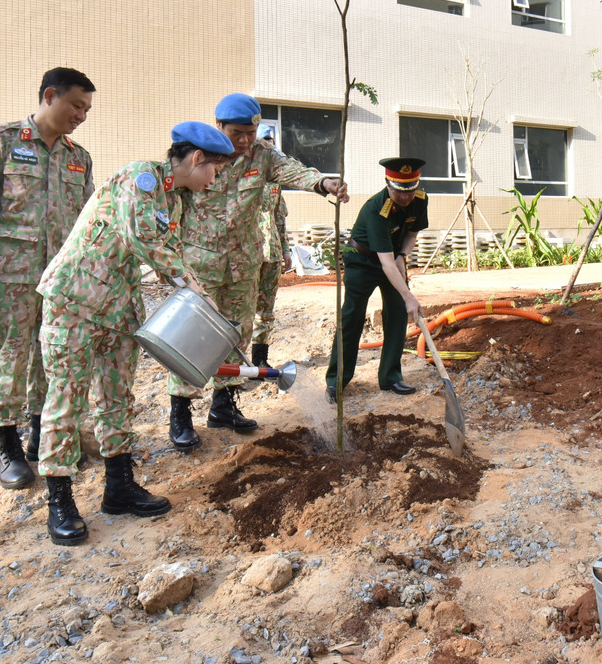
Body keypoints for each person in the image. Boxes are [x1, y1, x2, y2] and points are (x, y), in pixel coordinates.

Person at [35, 122, 233, 546]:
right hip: (75, 300)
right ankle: (60, 500)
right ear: (197, 159)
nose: (214, 182)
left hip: (119, 305)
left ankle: (119, 486)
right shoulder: (139, 178)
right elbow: (144, 238)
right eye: (214, 171)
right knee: (67, 398)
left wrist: (194, 289)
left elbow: (169, 251)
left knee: (117, 398)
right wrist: (192, 286)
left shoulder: (175, 199)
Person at [168, 94, 348, 448]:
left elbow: (291, 169)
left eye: (250, 132)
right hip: (199, 264)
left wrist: (322, 183)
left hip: (244, 262)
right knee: (191, 337)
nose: (245, 140)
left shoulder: (262, 154)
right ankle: (181, 414)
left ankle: (224, 405)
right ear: (218, 125)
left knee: (236, 333)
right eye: (237, 133)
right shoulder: (197, 152)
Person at [0, 67, 96, 491]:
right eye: (77, 105)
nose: (82, 115)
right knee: (10, 353)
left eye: (87, 109)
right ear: (50, 96)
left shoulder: (79, 157)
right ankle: (5, 442)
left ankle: (42, 435)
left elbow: (88, 219)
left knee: (50, 356)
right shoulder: (0, 141)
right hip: (9, 274)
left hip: (58, 278)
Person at [326, 157, 429, 401]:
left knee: (397, 312)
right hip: (362, 260)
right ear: (387, 184)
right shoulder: (376, 208)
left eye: (411, 190)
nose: (406, 197)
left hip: (393, 257)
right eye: (399, 191)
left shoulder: (420, 200)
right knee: (352, 315)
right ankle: (337, 381)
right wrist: (409, 296)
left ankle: (391, 377)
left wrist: (403, 256)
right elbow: (385, 262)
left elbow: (412, 233)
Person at [250, 125, 289, 370]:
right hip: (248, 252)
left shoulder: (274, 180)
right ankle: (233, 365)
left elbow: (279, 217)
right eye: (263, 141)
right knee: (241, 310)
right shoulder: (238, 175)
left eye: (270, 141)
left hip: (272, 251)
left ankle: (259, 359)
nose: (268, 145)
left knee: (266, 309)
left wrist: (286, 249)